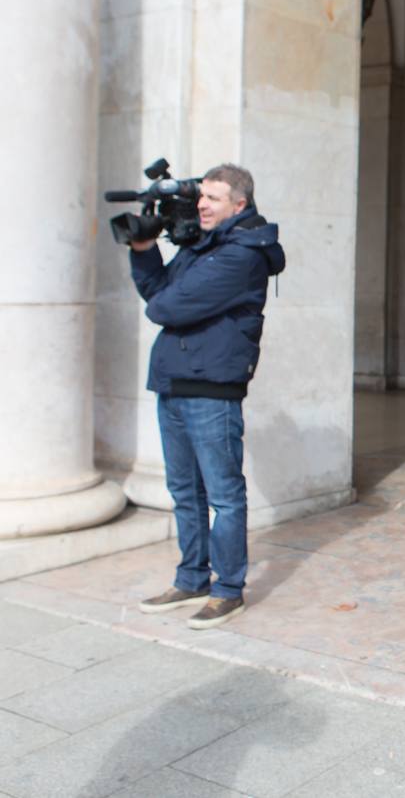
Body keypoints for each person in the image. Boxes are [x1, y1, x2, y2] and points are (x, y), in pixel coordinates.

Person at [129, 163, 285, 630]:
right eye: (201, 198)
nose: (201, 205)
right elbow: (156, 288)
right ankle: (191, 577)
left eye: (212, 198)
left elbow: (164, 307)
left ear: (239, 204)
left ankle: (227, 589)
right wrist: (142, 249)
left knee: (224, 494)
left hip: (211, 390)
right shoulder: (203, 246)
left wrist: (164, 296)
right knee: (183, 490)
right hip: (173, 382)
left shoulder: (243, 254)